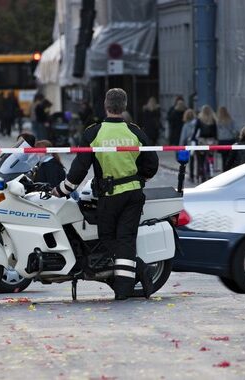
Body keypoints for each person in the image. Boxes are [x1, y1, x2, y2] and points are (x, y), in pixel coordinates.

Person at [52, 88, 159, 300]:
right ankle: (127, 287)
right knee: (126, 241)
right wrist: (140, 179)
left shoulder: (93, 132)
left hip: (109, 197)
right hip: (133, 195)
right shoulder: (135, 131)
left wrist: (62, 190)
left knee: (108, 238)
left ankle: (136, 276)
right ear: (124, 106)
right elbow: (152, 163)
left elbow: (79, 168)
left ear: (106, 106)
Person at [192, 105, 217, 182]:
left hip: (201, 141)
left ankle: (201, 174)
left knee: (201, 160)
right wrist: (216, 140)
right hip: (211, 141)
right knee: (210, 158)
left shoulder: (199, 120)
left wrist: (193, 139)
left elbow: (195, 131)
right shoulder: (213, 120)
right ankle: (210, 173)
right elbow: (215, 132)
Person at [215, 106, 239, 171]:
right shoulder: (230, 120)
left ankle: (224, 170)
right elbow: (234, 130)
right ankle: (229, 169)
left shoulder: (217, 121)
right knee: (230, 157)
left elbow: (216, 131)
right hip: (230, 140)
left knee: (223, 157)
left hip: (222, 141)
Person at [178, 109, 197, 182]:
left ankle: (191, 176)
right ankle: (199, 174)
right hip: (197, 144)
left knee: (191, 160)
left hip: (189, 145)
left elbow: (183, 138)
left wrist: (180, 147)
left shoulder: (186, 126)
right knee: (199, 160)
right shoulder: (197, 123)